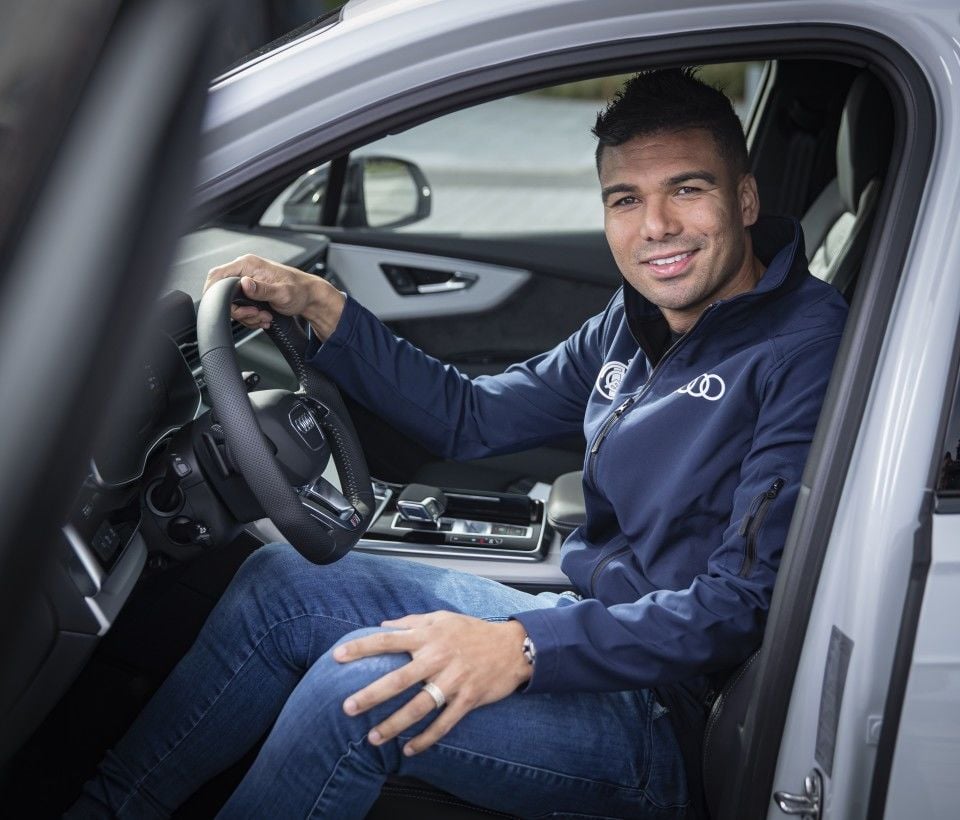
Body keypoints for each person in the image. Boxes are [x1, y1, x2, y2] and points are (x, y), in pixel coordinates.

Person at [71, 68, 847, 819]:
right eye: (626, 199)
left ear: (744, 198)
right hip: (595, 621)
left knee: (362, 695)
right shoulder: (636, 318)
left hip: (673, 715)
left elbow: (739, 605)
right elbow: (472, 418)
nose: (656, 228)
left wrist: (523, 647)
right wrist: (323, 306)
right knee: (280, 582)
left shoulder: (803, 347)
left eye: (687, 188)